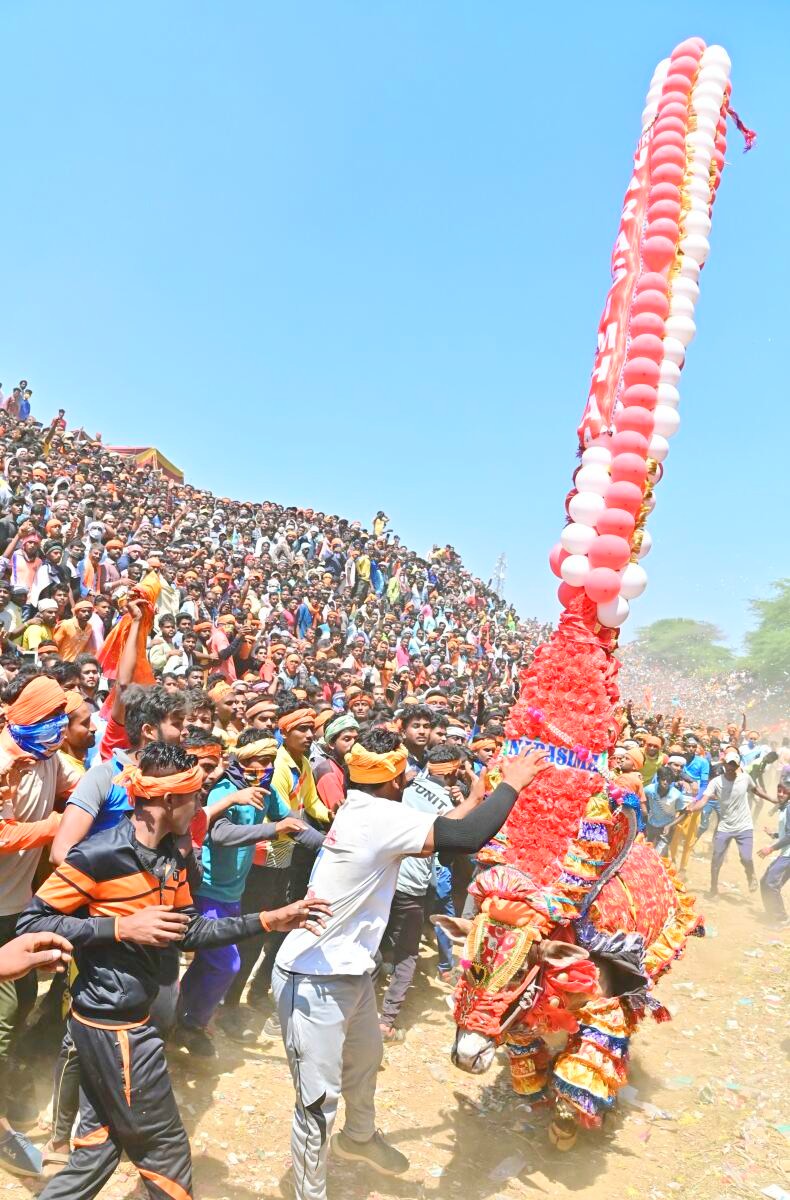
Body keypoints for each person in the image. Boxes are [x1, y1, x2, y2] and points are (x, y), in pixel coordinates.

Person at [17, 741, 331, 1200]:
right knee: (166, 1156)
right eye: (196, 797)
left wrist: (269, 919)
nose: (201, 807)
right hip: (114, 1027)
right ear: (167, 801)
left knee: (96, 1151)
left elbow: (189, 932)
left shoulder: (173, 858)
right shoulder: (97, 855)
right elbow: (32, 923)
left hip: (133, 1020)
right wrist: (120, 927)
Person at [271, 729, 549, 1200]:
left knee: (363, 1065)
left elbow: (441, 827)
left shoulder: (364, 807)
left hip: (349, 971)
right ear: (397, 776)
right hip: (313, 977)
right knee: (317, 1102)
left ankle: (358, 1140)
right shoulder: (379, 817)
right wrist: (512, 785)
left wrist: (479, 795)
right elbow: (465, 837)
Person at [176, 731, 319, 1053]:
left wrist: (332, 847)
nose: (265, 768)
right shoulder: (224, 790)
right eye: (259, 761)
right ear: (242, 759)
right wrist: (273, 829)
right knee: (227, 963)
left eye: (271, 761)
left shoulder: (265, 791)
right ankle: (193, 1024)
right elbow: (221, 834)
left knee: (207, 963)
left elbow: (292, 824)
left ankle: (181, 1017)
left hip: (233, 892)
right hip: (209, 889)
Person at [692, 747, 757, 898]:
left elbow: (756, 791)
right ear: (724, 764)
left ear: (738, 766)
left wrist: (773, 801)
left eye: (734, 765)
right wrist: (692, 808)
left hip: (744, 826)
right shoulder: (716, 782)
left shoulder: (745, 778)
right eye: (728, 764)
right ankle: (713, 888)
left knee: (746, 857)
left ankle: (750, 874)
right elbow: (704, 800)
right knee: (716, 859)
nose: (730, 767)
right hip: (725, 826)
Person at [758, 765, 790, 928]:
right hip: (786, 852)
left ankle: (781, 918)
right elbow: (787, 832)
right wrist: (775, 835)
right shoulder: (784, 808)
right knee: (766, 882)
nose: (780, 794)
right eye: (779, 790)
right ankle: (773, 913)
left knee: (770, 883)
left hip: (788, 855)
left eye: (785, 792)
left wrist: (771, 848)